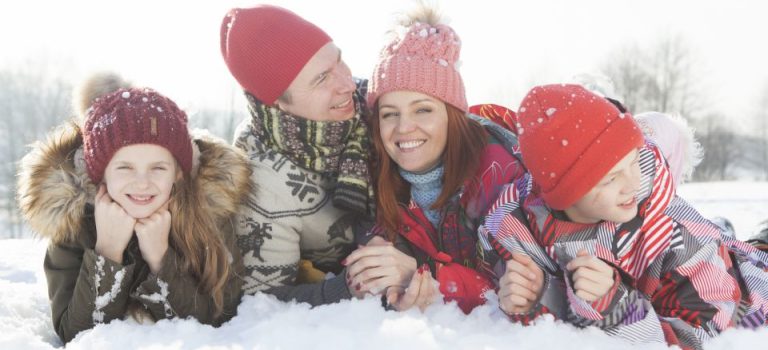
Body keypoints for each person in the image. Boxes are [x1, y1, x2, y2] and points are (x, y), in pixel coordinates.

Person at [477, 83, 768, 349]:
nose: (632, 184)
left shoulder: (672, 231)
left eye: (633, 162)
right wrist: (535, 296)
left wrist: (616, 307)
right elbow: (553, 329)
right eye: (611, 178)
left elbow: (704, 338)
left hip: (748, 301)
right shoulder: (518, 229)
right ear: (564, 192)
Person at [16, 73, 249, 343]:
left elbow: (220, 319)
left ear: (178, 173)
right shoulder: (75, 223)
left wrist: (161, 259)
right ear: (99, 174)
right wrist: (108, 251)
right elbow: (76, 334)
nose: (142, 183)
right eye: (125, 167)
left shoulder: (209, 213)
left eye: (158, 168)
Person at [344, 6, 528, 313]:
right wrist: (375, 269)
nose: (404, 128)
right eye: (390, 114)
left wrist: (419, 273)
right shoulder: (377, 175)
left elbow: (514, 289)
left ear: (452, 115)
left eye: (423, 110)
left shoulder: (498, 172)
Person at [220, 4, 374, 304]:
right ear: (277, 103)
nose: (347, 85)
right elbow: (264, 301)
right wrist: (351, 288)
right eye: (321, 79)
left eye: (339, 61)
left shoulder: (380, 106)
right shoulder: (261, 184)